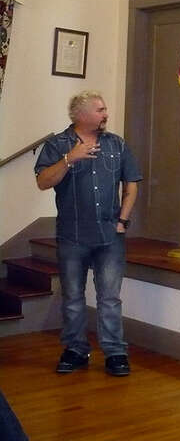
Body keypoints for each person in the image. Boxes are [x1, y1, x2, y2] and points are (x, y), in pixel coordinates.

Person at [35, 91, 142, 376]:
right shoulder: (57, 145)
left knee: (110, 298)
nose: (106, 114)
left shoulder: (117, 144)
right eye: (100, 110)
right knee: (72, 297)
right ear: (80, 114)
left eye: (105, 109)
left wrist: (123, 220)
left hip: (110, 235)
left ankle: (115, 353)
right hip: (72, 234)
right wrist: (69, 159)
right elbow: (43, 182)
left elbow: (131, 184)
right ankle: (75, 350)